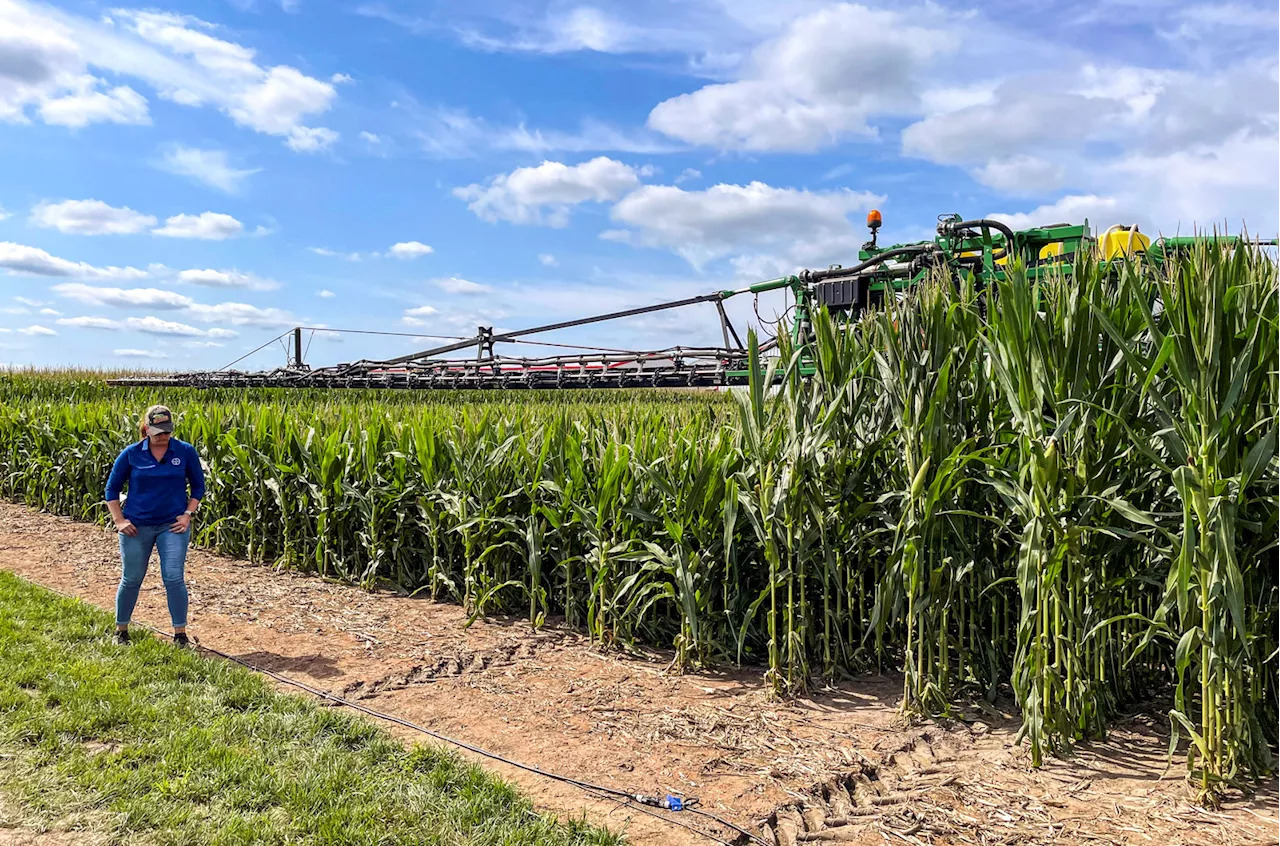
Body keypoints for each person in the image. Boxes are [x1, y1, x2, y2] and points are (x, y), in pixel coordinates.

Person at [104, 404, 206, 648]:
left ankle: (180, 635)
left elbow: (198, 486)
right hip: (136, 527)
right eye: (158, 431)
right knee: (132, 578)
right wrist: (120, 520)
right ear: (147, 429)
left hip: (172, 526)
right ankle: (122, 630)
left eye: (167, 431)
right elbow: (111, 489)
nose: (163, 436)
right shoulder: (131, 454)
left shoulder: (184, 451)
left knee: (173, 577)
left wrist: (187, 514)